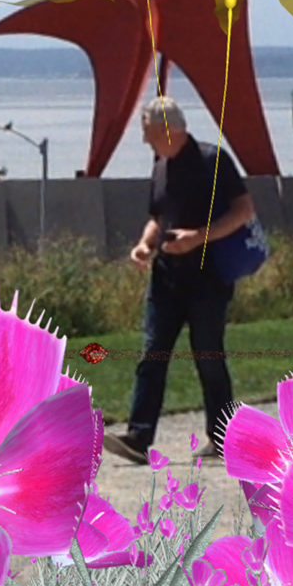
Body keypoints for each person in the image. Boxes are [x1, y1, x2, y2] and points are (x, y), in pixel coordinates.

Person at [100, 95, 253, 465]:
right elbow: (158, 216)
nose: (147, 142)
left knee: (208, 356)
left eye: (150, 134)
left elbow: (244, 211)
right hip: (166, 277)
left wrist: (198, 237)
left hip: (208, 276)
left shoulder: (211, 160)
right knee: (152, 353)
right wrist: (144, 243)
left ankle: (223, 436)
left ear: (170, 130)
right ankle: (139, 436)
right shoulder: (160, 164)